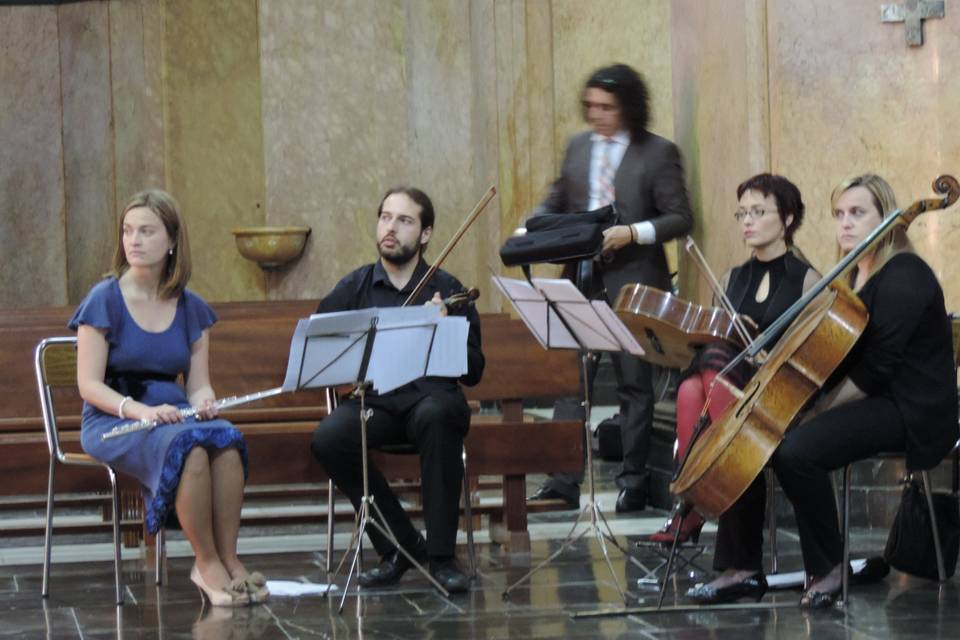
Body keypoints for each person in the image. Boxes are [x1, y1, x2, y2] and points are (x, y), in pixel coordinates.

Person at [688, 174, 958, 607]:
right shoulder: (851, 280)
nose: (846, 224)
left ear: (887, 218)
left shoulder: (905, 273)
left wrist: (817, 412)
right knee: (756, 434)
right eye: (839, 214)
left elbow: (875, 371)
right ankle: (740, 567)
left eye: (858, 213)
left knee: (798, 450)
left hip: (910, 408)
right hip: (873, 401)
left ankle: (829, 568)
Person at [71, 189, 264, 607]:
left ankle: (230, 557)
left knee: (226, 437)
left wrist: (206, 399)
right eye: (127, 231)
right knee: (190, 446)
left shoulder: (190, 306)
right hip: (115, 418)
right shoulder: (103, 299)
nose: (133, 240)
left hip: (173, 414)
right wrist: (142, 410)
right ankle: (205, 562)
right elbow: (88, 385)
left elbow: (197, 384)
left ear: (172, 240)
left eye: (146, 231)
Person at [527, 63, 695, 512]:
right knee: (569, 380)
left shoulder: (657, 152)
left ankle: (633, 480)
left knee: (634, 384)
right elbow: (560, 198)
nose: (596, 115)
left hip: (635, 282)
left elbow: (680, 217)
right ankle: (563, 480)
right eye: (591, 106)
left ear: (628, 107)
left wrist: (633, 232)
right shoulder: (578, 147)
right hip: (582, 279)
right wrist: (536, 224)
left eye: (606, 107)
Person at [310, 186, 484, 594]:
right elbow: (321, 347)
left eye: (404, 221)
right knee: (329, 438)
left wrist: (444, 329)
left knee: (437, 416)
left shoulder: (448, 289)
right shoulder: (355, 288)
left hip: (432, 399)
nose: (391, 228)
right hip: (379, 401)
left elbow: (474, 370)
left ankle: (442, 557)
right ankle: (400, 546)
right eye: (385, 217)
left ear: (425, 234)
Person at [642, 174, 818, 545]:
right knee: (694, 383)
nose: (747, 221)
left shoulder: (807, 281)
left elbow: (810, 357)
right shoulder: (730, 278)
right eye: (741, 214)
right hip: (726, 392)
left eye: (758, 211)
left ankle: (692, 506)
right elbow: (713, 339)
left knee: (702, 378)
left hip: (774, 395)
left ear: (787, 219)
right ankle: (718, 473)